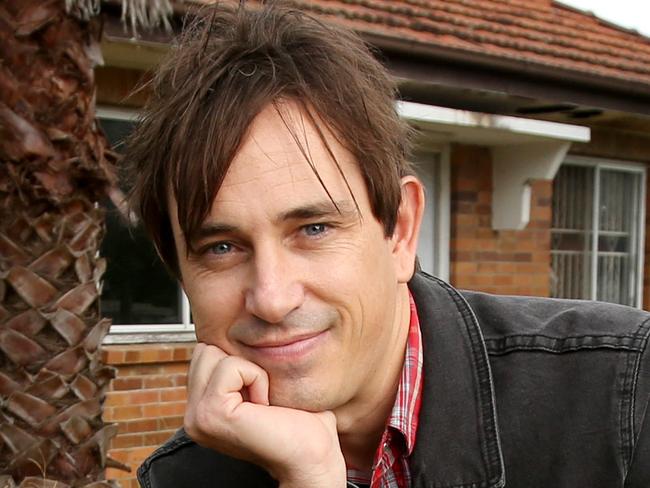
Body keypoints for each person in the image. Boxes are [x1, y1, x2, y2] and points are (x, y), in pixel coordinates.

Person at [124, 3, 650, 487]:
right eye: (221, 247)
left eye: (314, 230)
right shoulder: (183, 480)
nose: (271, 297)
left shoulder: (624, 399)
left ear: (399, 231)